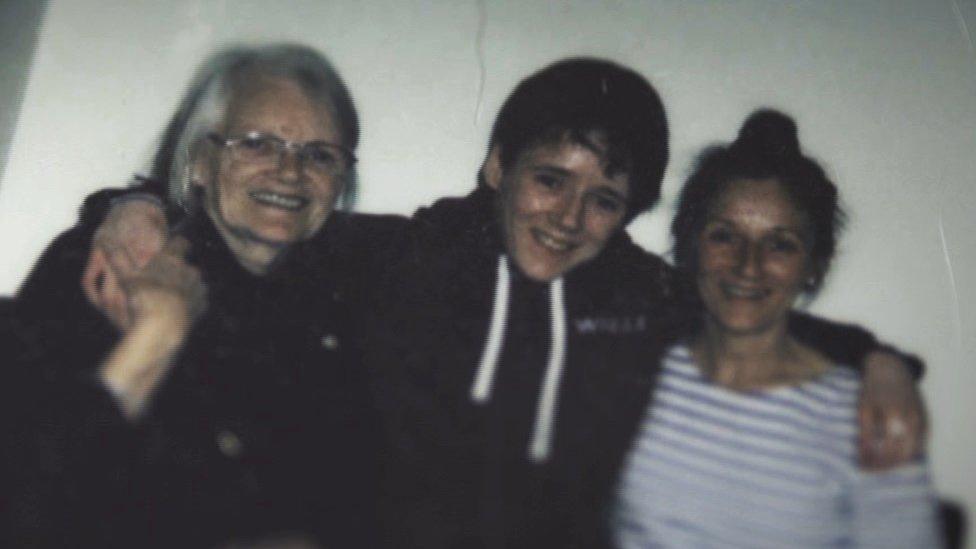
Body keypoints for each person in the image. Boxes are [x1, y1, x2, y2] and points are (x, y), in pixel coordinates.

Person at [29, 57, 925, 548]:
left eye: (605, 199)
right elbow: (243, 231)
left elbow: (751, 300)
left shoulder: (641, 298)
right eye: (547, 179)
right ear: (498, 165)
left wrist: (878, 357)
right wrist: (126, 205)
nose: (570, 218)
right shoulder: (395, 255)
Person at [3, 44, 380, 548]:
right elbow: (26, 490)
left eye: (319, 155)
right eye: (257, 143)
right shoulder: (110, 265)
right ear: (200, 160)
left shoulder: (339, 311)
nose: (290, 172)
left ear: (341, 182)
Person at [612, 110, 940, 548]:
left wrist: (883, 364)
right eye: (724, 236)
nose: (748, 265)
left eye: (780, 244)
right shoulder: (634, 371)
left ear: (813, 266)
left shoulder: (864, 413)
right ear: (691, 245)